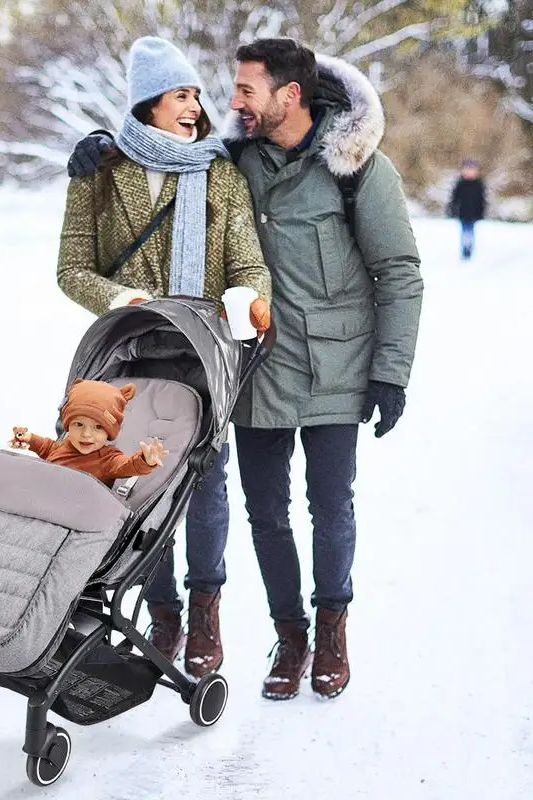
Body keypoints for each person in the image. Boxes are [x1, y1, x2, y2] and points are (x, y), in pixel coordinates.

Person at [68, 37, 423, 700]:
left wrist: (391, 370)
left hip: (338, 369)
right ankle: (289, 637)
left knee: (332, 505)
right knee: (266, 512)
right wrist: (98, 147)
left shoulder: (360, 169)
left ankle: (332, 632)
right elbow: (163, 148)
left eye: (245, 90)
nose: (232, 102)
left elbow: (398, 271)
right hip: (254, 368)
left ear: (291, 95)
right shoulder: (235, 161)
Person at [57, 36, 273, 678]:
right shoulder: (100, 173)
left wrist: (251, 298)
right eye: (181, 95)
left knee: (204, 485)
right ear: (149, 103)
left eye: (197, 96)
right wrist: (119, 296)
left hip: (203, 350)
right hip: (126, 352)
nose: (194, 106)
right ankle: (162, 612)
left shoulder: (219, 173)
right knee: (133, 483)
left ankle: (205, 612)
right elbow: (70, 269)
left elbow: (247, 261)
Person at [9, 379, 167, 487]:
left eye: (98, 427)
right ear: (68, 425)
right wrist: (29, 438)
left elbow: (127, 465)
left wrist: (146, 461)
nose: (86, 434)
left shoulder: (108, 459)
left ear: (109, 432)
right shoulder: (65, 446)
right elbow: (48, 448)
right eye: (78, 424)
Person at [447, 159, 486, 260]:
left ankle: (469, 247)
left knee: (470, 231)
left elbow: (481, 200)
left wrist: (481, 212)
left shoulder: (478, 184)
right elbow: (454, 199)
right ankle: (465, 248)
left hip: (473, 213)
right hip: (463, 213)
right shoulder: (460, 184)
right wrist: (452, 209)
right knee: (464, 231)